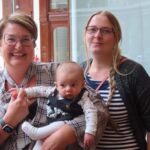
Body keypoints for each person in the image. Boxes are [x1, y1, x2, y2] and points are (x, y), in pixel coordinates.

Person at [0, 11, 108, 150]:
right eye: (11, 39)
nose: (19, 46)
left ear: (34, 44)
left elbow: (100, 109)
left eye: (26, 39)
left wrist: (68, 132)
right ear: (1, 43)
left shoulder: (57, 72)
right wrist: (9, 121)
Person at [80, 10, 150, 150]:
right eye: (92, 30)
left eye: (105, 31)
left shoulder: (133, 72)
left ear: (116, 37)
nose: (97, 35)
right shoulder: (77, 73)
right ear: (85, 34)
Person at [10, 62, 98, 150]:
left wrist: (90, 132)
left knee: (60, 124)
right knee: (39, 145)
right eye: (63, 85)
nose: (68, 89)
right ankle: (37, 135)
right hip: (50, 125)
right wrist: (24, 92)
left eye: (73, 85)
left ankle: (37, 132)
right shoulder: (53, 92)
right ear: (56, 85)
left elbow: (92, 113)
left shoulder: (83, 98)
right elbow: (39, 90)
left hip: (65, 125)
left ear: (82, 85)